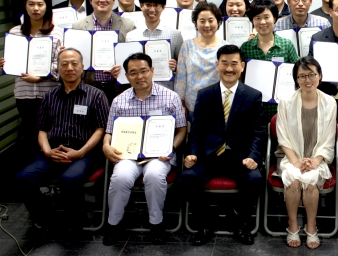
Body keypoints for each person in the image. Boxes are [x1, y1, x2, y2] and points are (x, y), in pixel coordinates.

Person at [15, 48, 109, 237]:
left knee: (69, 179)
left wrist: (81, 152)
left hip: (84, 153)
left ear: (82, 67)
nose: (70, 68)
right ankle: (46, 219)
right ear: (58, 69)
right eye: (64, 64)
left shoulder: (96, 95)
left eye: (74, 63)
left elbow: (101, 129)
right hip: (52, 151)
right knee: (23, 178)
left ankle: (76, 223)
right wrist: (47, 150)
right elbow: (41, 129)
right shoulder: (50, 96)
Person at [180, 45, 265, 246]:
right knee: (186, 179)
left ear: (242, 66)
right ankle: (206, 221)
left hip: (239, 157)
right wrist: (192, 153)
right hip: (210, 156)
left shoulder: (253, 96)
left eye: (234, 64)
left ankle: (238, 219)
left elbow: (258, 133)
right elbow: (197, 130)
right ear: (217, 65)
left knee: (255, 180)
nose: (229, 68)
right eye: (224, 63)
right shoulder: (205, 95)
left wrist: (253, 157)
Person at [102, 53, 187, 246]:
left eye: (144, 71)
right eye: (133, 73)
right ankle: (113, 224)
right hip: (127, 155)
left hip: (159, 155)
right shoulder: (119, 101)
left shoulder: (171, 97)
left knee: (154, 176)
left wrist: (171, 148)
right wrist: (106, 146)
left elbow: (182, 130)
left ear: (152, 71)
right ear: (126, 75)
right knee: (120, 177)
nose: (139, 77)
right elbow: (109, 131)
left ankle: (156, 223)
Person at [275, 57, 336, 249]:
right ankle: (293, 225)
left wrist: (316, 161)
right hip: (290, 157)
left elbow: (328, 139)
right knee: (294, 180)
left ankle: (311, 227)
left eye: (312, 74)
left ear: (319, 76)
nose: (307, 79)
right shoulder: (285, 102)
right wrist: (295, 163)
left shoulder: (330, 102)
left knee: (310, 183)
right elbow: (283, 137)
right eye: (302, 76)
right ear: (296, 79)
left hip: (318, 158)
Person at [0, 0, 62, 159]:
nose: (36, 8)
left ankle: (47, 165)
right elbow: (11, 62)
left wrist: (41, 76)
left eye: (40, 4)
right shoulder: (15, 32)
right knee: (29, 132)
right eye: (31, 4)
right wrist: (4, 64)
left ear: (47, 7)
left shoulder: (57, 32)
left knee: (50, 132)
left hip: (49, 92)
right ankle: (30, 171)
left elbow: (61, 63)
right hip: (24, 93)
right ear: (25, 7)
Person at [72, 0, 136, 103]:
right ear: (90, 0)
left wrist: (121, 69)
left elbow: (134, 59)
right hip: (89, 86)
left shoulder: (128, 25)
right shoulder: (78, 26)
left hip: (118, 87)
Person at [241, 0, 299, 120]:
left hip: (282, 109)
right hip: (253, 109)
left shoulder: (286, 45)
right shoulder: (245, 48)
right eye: (257, 18)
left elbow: (298, 73)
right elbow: (241, 79)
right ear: (252, 21)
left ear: (275, 18)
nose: (262, 22)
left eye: (267, 17)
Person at [175, 2, 228, 120]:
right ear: (196, 23)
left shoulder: (226, 47)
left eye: (211, 20)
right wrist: (181, 103)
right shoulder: (187, 46)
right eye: (202, 21)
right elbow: (181, 78)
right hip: (192, 106)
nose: (207, 25)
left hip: (219, 105)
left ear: (218, 22)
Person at [125, 0, 183, 91]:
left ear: (163, 7)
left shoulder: (175, 35)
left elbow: (182, 67)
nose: (152, 9)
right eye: (148, 5)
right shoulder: (131, 36)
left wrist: (175, 67)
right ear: (141, 6)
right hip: (139, 91)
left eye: (156, 5)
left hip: (167, 91)